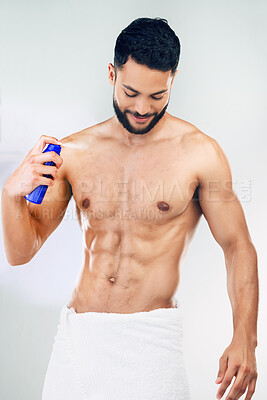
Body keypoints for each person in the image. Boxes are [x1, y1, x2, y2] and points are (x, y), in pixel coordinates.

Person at [1, 17, 258, 400]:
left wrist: (245, 339)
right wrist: (10, 195)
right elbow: (21, 252)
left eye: (157, 96)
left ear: (172, 79)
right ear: (112, 74)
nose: (141, 108)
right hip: (78, 343)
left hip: (152, 344)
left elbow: (238, 245)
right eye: (131, 92)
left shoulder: (201, 155)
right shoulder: (73, 152)